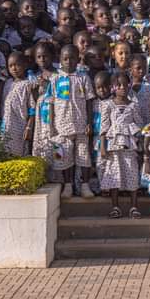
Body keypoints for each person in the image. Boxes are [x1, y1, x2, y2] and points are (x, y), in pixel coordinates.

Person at [48, 44, 95, 199]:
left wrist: (89, 123)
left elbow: (89, 101)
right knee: (65, 156)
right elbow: (51, 103)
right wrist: (51, 125)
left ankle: (85, 185)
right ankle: (67, 185)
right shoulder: (55, 78)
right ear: (60, 59)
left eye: (72, 58)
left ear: (78, 59)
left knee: (84, 156)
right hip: (62, 126)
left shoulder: (83, 77)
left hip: (81, 125)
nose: (69, 61)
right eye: (65, 58)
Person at [99, 72, 143, 219]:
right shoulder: (107, 105)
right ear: (113, 87)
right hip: (113, 146)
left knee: (132, 174)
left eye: (125, 84)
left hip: (130, 145)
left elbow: (140, 125)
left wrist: (141, 142)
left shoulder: (133, 106)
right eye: (119, 85)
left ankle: (134, 207)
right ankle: (115, 207)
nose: (122, 87)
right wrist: (103, 147)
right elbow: (104, 128)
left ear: (130, 85)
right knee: (114, 177)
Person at [1, 52, 34, 157]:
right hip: (5, 127)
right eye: (10, 66)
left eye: (17, 65)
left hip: (20, 127)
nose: (14, 68)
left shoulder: (28, 84)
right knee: (4, 154)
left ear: (25, 65)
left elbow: (32, 108)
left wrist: (29, 127)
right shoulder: (8, 83)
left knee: (18, 155)